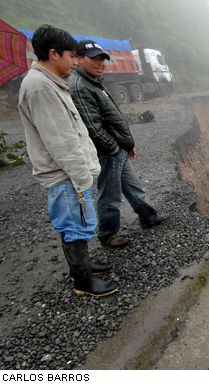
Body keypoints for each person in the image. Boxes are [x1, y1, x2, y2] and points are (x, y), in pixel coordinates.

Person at [17, 25, 117, 297]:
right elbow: (61, 142)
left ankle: (82, 266)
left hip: (69, 172)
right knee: (73, 225)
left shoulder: (49, 83)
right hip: (65, 174)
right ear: (53, 54)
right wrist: (82, 177)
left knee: (77, 222)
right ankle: (83, 282)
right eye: (71, 56)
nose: (75, 61)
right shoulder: (40, 88)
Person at [69, 40, 169, 248]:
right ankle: (108, 234)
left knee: (132, 186)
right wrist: (114, 148)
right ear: (78, 59)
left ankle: (148, 217)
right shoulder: (80, 87)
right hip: (109, 151)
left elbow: (111, 118)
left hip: (117, 148)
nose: (99, 63)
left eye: (102, 59)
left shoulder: (94, 82)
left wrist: (127, 144)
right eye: (93, 59)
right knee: (110, 194)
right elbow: (93, 127)